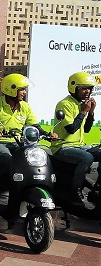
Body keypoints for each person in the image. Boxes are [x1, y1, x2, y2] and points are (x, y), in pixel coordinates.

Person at [0, 73, 58, 198]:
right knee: (7, 159)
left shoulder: (25, 107)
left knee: (32, 159)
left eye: (25, 89)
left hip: (17, 142)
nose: (24, 92)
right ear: (11, 89)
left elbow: (35, 126)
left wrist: (48, 134)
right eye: (22, 89)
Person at [50, 71, 99, 203]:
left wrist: (91, 112)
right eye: (84, 88)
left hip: (80, 146)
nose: (87, 91)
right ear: (74, 88)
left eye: (89, 88)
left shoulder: (81, 104)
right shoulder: (65, 104)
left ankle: (97, 190)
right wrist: (84, 111)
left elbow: (87, 129)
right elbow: (71, 129)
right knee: (87, 158)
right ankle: (75, 190)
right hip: (62, 147)